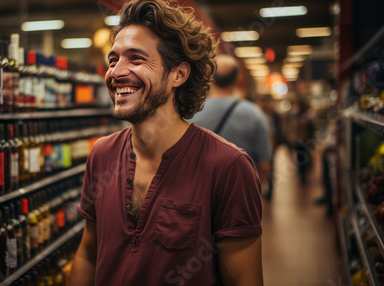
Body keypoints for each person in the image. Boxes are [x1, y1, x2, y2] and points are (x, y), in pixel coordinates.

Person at [70, 0, 263, 285]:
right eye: (113, 60)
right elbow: (88, 253)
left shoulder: (227, 167)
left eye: (136, 59)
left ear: (178, 74)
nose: (116, 72)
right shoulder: (102, 154)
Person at [190, 54, 271, 189]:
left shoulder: (191, 113)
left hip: (200, 191)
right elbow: (265, 164)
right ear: (238, 79)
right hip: (240, 189)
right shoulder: (255, 114)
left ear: (210, 79)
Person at [256, 93, 284, 200]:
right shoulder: (266, 115)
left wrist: (271, 149)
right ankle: (268, 190)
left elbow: (272, 133)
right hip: (267, 147)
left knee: (269, 169)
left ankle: (269, 191)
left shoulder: (267, 116)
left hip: (268, 147)